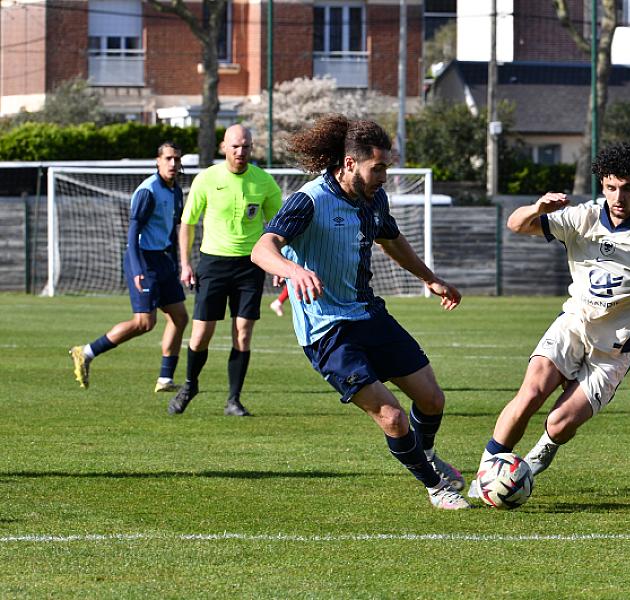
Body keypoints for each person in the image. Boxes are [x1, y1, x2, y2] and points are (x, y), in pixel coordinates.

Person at [250, 114, 470, 510]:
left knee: (433, 399)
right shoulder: (309, 200)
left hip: (368, 314)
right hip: (328, 331)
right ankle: (436, 485)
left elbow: (392, 239)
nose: (385, 175)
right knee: (392, 418)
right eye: (379, 167)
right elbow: (262, 248)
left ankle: (426, 454)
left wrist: (429, 278)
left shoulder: (374, 198)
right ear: (350, 163)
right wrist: (293, 270)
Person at [468, 143, 630, 490]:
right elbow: (515, 224)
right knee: (530, 393)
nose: (618, 197)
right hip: (572, 326)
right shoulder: (581, 217)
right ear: (602, 184)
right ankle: (485, 475)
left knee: (558, 423)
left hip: (613, 352)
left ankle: (539, 454)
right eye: (611, 186)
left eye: (628, 187)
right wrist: (537, 207)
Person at [168, 124, 283, 417]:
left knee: (243, 333)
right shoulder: (207, 179)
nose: (240, 152)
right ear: (224, 147)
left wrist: (279, 263)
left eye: (245, 146)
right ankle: (190, 385)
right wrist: (185, 264)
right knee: (200, 335)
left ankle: (234, 400)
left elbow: (279, 228)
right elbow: (188, 222)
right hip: (213, 264)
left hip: (250, 266)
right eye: (235, 146)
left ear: (251, 147)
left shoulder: (264, 182)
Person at [69, 142, 189, 392]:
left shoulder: (176, 192)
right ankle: (86, 352)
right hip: (144, 259)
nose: (173, 164)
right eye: (168, 158)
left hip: (163, 260)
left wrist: (177, 265)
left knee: (179, 316)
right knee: (144, 323)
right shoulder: (148, 191)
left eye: (177, 159)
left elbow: (172, 231)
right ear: (157, 161)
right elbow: (133, 231)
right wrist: (137, 269)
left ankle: (165, 379)